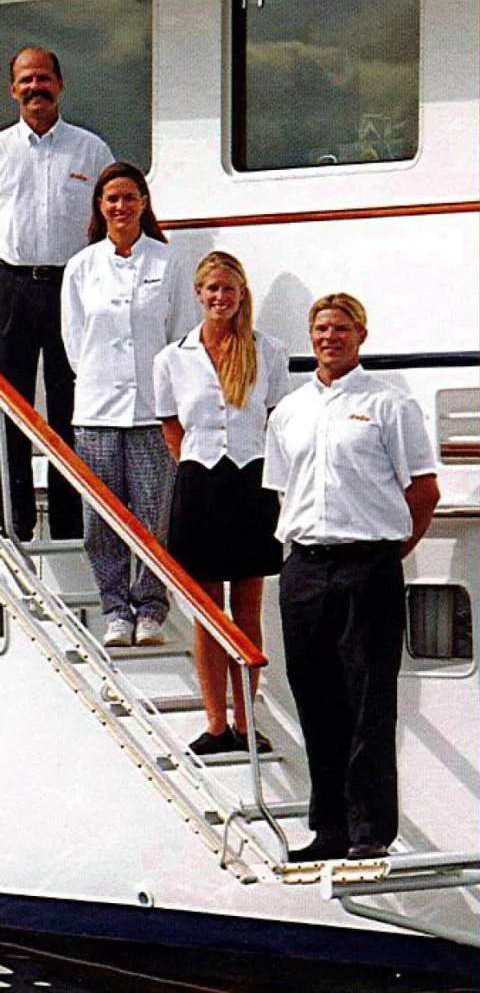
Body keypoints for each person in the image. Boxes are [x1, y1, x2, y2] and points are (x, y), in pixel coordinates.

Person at [263, 293, 440, 862]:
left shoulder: (389, 406)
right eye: (320, 328)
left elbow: (423, 491)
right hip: (305, 570)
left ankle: (370, 831)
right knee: (315, 701)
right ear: (310, 337)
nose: (329, 337)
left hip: (367, 568)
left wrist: (387, 548)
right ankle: (329, 830)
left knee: (369, 703)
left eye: (340, 328)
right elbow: (283, 491)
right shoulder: (289, 412)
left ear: (360, 335)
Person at [0, 46, 113, 541]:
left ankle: (67, 520)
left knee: (72, 404)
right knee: (8, 402)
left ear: (60, 84)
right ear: (12, 89)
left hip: (70, 287)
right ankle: (13, 518)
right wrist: (8, 269)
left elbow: (106, 221)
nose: (35, 87)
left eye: (43, 78)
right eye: (25, 80)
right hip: (11, 288)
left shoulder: (91, 151)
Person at [153, 252, 290, 755]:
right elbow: (171, 425)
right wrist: (196, 462)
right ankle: (215, 725)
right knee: (208, 613)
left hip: (252, 482)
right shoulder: (172, 358)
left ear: (241, 293)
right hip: (201, 484)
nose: (219, 297)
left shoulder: (267, 351)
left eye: (228, 289)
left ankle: (245, 721)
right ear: (198, 293)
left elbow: (276, 416)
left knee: (247, 612)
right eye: (211, 289)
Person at [61, 162, 194, 648]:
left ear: (143, 203)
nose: (121, 206)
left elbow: (179, 334)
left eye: (129, 197)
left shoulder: (168, 263)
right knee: (101, 517)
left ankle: (151, 607)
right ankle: (115, 608)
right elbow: (74, 341)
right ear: (100, 206)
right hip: (96, 409)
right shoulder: (81, 267)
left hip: (150, 412)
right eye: (111, 198)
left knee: (155, 514)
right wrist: (101, 378)